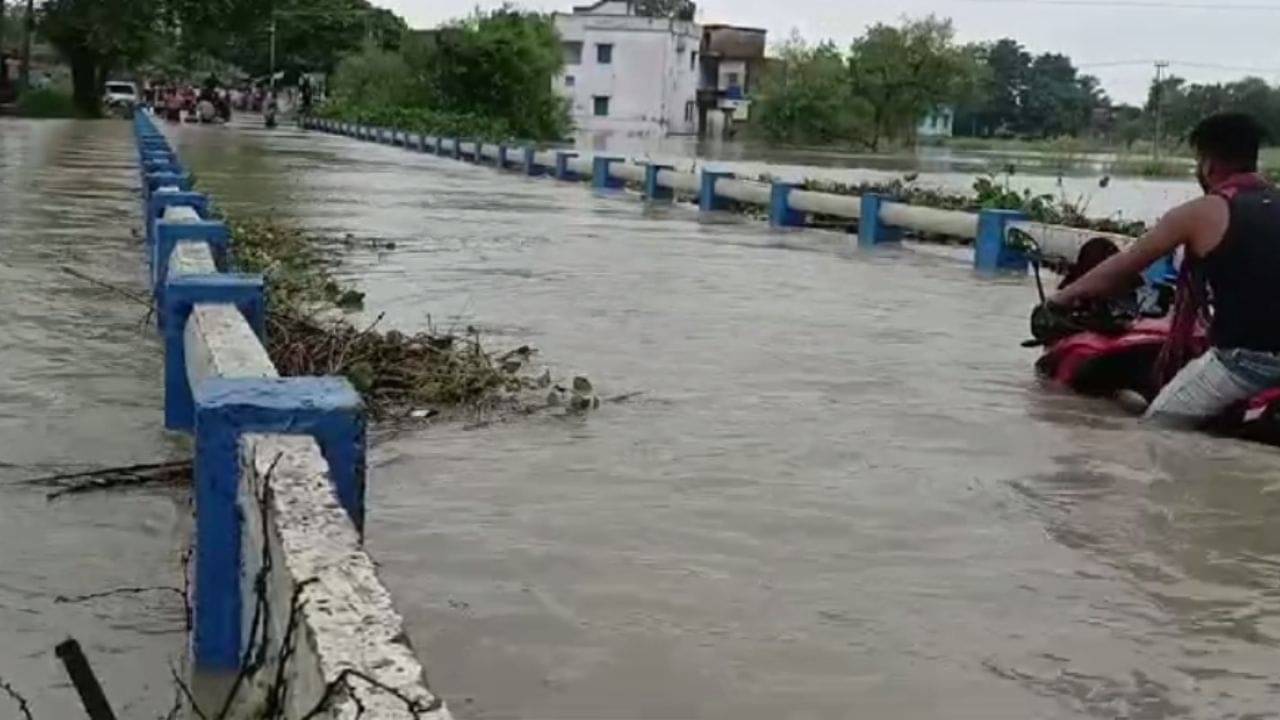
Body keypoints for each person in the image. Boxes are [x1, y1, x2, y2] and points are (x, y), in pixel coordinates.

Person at [1051, 112, 1280, 425]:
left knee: (1156, 432)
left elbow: (1124, 265)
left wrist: (1060, 300)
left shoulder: (1200, 213)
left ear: (1208, 164)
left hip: (1243, 363)